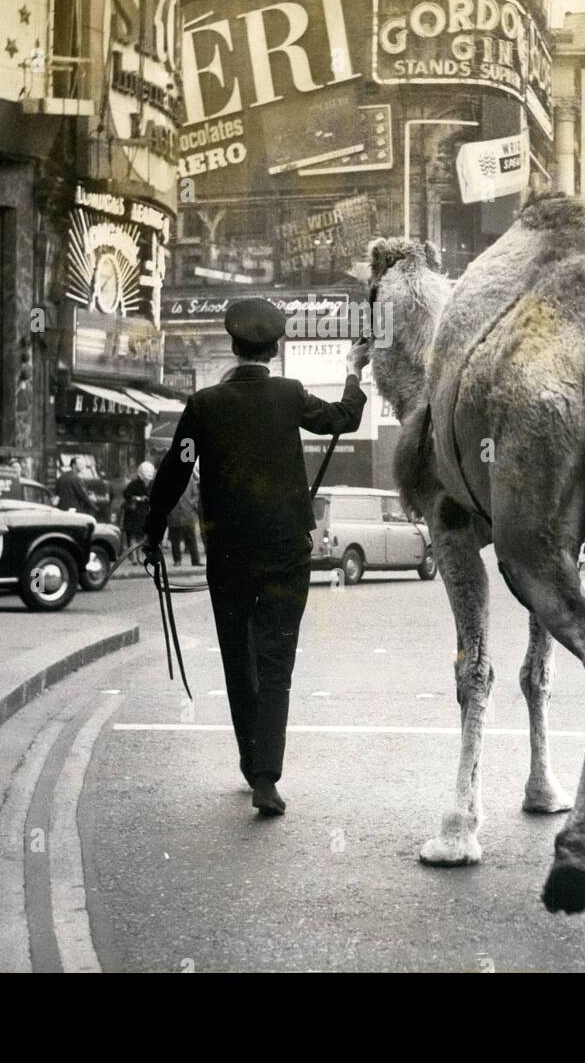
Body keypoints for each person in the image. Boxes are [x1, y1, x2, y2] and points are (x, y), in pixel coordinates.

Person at [145, 297, 369, 817]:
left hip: (228, 554)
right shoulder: (289, 395)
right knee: (276, 662)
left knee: (238, 659)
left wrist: (153, 532)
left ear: (233, 345)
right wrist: (353, 371)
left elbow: (174, 474)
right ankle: (266, 776)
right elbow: (344, 419)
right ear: (275, 347)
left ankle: (252, 762)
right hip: (287, 551)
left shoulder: (204, 405)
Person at [121, 460, 155, 547]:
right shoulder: (134, 484)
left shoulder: (153, 484)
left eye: (150, 472)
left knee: (142, 536)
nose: (149, 474)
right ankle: (133, 556)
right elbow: (126, 494)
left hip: (146, 514)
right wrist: (138, 498)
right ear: (141, 474)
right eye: (146, 472)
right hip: (134, 513)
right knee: (133, 535)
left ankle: (139, 556)